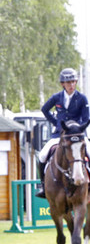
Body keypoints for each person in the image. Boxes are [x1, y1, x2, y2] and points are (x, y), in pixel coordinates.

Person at [35, 67, 90, 198]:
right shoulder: (57, 97)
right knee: (42, 155)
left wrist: (76, 127)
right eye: (68, 82)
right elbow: (44, 109)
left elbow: (86, 119)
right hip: (60, 134)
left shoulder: (82, 98)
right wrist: (56, 123)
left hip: (78, 135)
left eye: (73, 82)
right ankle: (43, 186)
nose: (71, 85)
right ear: (62, 84)